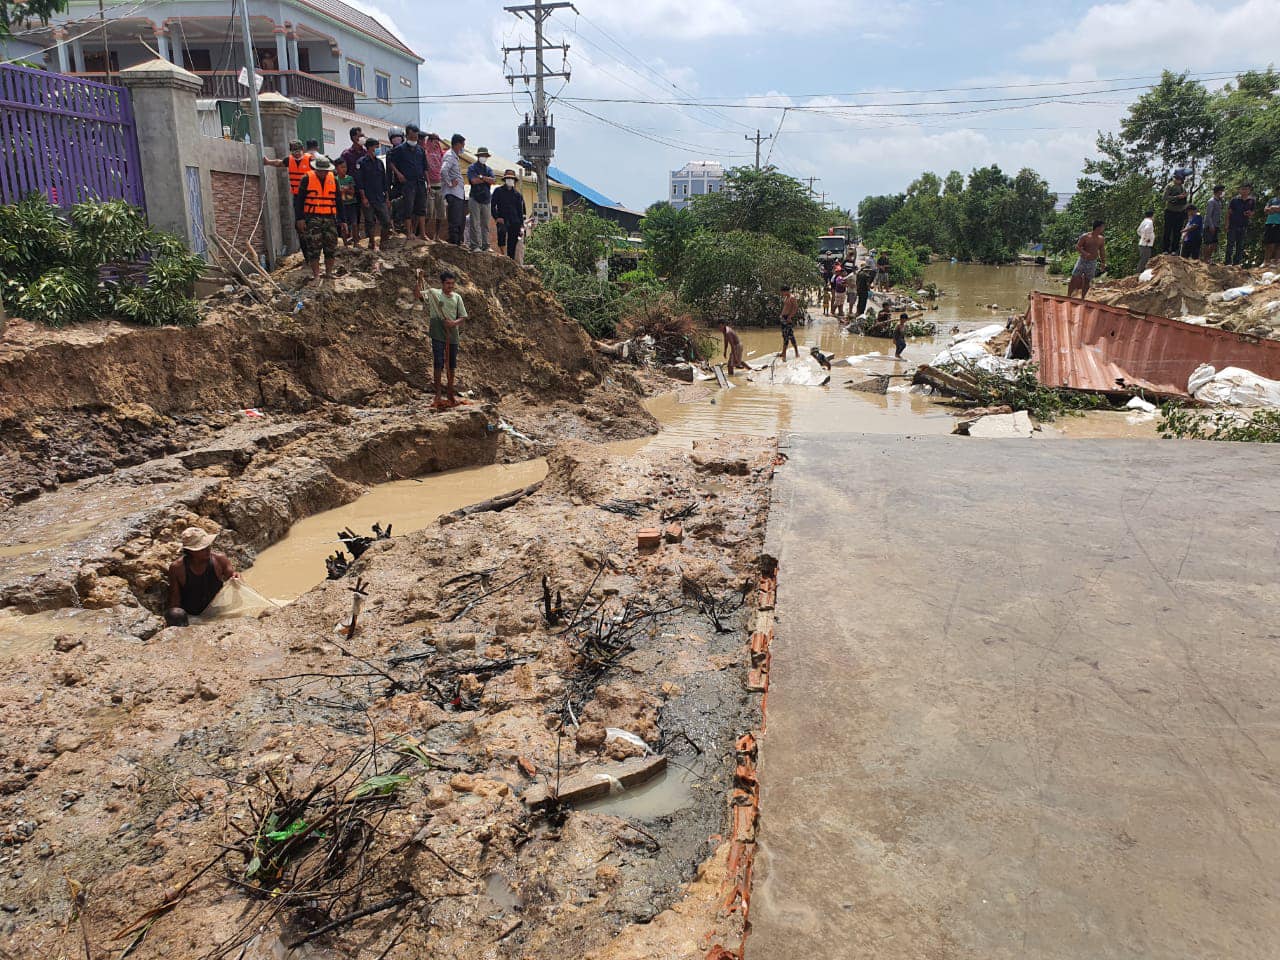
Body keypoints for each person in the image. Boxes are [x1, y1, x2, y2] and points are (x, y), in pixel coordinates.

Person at [415, 268, 468, 408]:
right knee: (438, 363)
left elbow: (463, 316)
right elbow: (418, 295)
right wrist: (419, 279)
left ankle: (450, 393)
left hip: (452, 334)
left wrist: (453, 323)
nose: (450, 286)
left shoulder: (457, 297)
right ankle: (438, 394)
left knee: (451, 364)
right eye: (448, 283)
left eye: (452, 283)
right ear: (442, 284)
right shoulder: (434, 293)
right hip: (437, 332)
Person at [166, 526, 236, 626]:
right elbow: (175, 598)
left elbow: (235, 581)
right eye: (202, 548)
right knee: (175, 613)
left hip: (217, 611)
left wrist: (236, 577)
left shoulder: (220, 559)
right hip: (192, 615)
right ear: (190, 551)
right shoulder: (177, 568)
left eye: (208, 546)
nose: (208, 550)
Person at [295, 154, 339, 280]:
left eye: (325, 171)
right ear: (316, 169)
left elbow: (338, 200)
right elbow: (299, 201)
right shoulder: (306, 179)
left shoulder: (333, 179)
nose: (323, 173)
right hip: (312, 217)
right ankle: (316, 275)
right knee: (313, 247)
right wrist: (300, 218)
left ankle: (329, 273)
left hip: (330, 217)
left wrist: (343, 220)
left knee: (331, 247)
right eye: (320, 170)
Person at [388, 123, 427, 239]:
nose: (415, 138)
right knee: (408, 208)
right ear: (407, 135)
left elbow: (425, 167)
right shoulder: (400, 149)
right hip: (408, 183)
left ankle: (423, 233)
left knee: (421, 208)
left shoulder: (420, 150)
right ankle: (409, 233)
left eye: (416, 135)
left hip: (420, 182)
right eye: (413, 135)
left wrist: (428, 182)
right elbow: (391, 163)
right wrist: (398, 174)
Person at [355, 138, 391, 252]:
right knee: (370, 222)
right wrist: (363, 197)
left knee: (386, 221)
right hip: (368, 197)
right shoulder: (361, 162)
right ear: (369, 147)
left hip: (380, 197)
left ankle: (383, 243)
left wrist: (387, 197)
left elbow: (384, 181)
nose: (377, 149)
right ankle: (372, 243)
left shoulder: (379, 163)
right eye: (376, 147)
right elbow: (359, 182)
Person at [491, 169, 526, 258]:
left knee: (512, 242)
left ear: (514, 180)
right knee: (501, 235)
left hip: (515, 221)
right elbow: (492, 205)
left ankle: (510, 259)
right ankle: (503, 255)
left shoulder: (518, 195)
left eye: (512, 179)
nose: (510, 180)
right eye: (508, 178)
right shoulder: (498, 191)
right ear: (505, 179)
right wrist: (496, 217)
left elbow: (521, 211)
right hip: (502, 219)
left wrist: (521, 225)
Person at [467, 147, 496, 252]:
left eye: (485, 156)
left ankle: (486, 245)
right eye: (482, 155)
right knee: (474, 223)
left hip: (486, 199)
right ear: (478, 156)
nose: (483, 157)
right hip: (475, 198)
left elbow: (493, 181)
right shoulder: (472, 167)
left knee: (486, 224)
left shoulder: (489, 169)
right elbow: (473, 181)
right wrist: (486, 179)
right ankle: (475, 245)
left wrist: (481, 177)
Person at [1067, 220, 1106, 299]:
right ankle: (1068, 296)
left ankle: (1083, 298)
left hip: (1093, 262)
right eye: (1103, 227)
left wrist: (1103, 263)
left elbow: (1102, 251)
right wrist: (1085, 253)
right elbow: (1077, 246)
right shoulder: (1085, 236)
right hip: (1082, 260)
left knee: (1087, 280)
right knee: (1074, 278)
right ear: (1098, 227)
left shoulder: (1101, 239)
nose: (1103, 228)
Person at [442, 133, 467, 246]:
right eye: (462, 145)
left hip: (458, 193)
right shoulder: (450, 156)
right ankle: (453, 242)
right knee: (455, 219)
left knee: (459, 219)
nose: (463, 148)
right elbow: (443, 170)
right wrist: (449, 183)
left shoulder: (454, 157)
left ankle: (457, 242)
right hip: (453, 193)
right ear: (457, 144)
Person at [423, 132, 448, 241]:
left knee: (441, 213)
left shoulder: (441, 153)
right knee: (429, 212)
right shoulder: (426, 152)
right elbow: (425, 169)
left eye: (437, 142)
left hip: (440, 185)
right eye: (434, 141)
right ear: (429, 141)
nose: (436, 144)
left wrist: (441, 140)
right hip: (430, 185)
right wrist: (428, 182)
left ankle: (436, 236)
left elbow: (454, 151)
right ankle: (421, 233)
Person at [1225, 183, 1256, 266]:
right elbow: (1228, 212)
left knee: (1240, 245)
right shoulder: (1234, 200)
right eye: (1243, 189)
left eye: (1246, 189)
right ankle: (1227, 262)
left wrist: (1250, 213)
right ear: (1240, 190)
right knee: (1230, 244)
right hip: (1233, 225)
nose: (1245, 191)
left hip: (1243, 225)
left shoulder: (1252, 201)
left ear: (1249, 190)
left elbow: (1253, 212)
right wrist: (1227, 224)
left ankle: (1237, 263)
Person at [1161, 170, 1188, 255]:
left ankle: (1174, 250)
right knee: (1168, 231)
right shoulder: (1170, 186)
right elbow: (1165, 197)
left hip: (1180, 212)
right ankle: (1165, 249)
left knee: (1177, 232)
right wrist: (1176, 197)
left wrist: (1183, 197)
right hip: (1170, 211)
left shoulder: (1182, 187)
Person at [334, 157, 359, 247]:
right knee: (343, 225)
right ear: (336, 168)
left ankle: (356, 242)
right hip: (341, 206)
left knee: (354, 224)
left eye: (345, 167)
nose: (344, 169)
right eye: (342, 167)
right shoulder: (335, 179)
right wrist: (344, 189)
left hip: (351, 204)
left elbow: (352, 191)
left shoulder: (349, 178)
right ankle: (345, 245)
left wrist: (344, 190)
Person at [1203, 184, 1224, 262]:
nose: (1223, 192)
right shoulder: (1211, 201)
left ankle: (1209, 258)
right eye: (1222, 191)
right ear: (1218, 191)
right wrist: (1211, 225)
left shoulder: (1219, 201)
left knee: (1214, 243)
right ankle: (1205, 259)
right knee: (1207, 242)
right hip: (1210, 225)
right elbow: (1208, 215)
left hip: (1216, 225)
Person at [778, 284, 799, 360]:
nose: (781, 293)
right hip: (783, 318)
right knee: (786, 335)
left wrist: (790, 317)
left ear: (786, 291)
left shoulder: (792, 298)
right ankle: (784, 353)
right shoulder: (786, 297)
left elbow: (795, 308)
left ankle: (787, 354)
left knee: (788, 336)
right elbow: (785, 307)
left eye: (782, 292)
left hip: (787, 318)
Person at [1263, 190, 1280, 267]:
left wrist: (1272, 207)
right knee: (1269, 243)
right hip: (1270, 223)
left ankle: (1276, 262)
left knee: (1278, 244)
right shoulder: (1271, 200)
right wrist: (1274, 209)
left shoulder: (1272, 203)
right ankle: (1266, 261)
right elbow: (1265, 210)